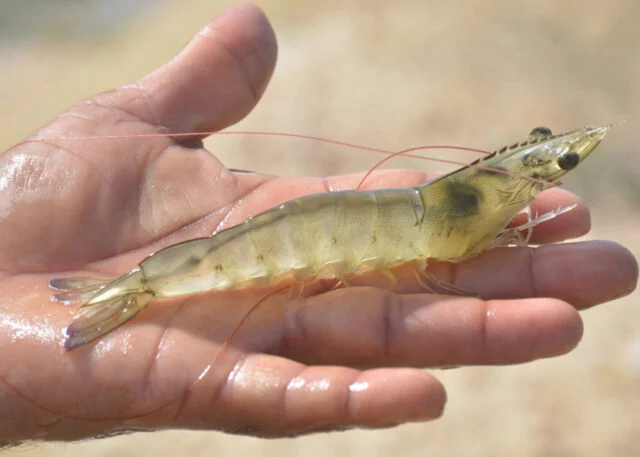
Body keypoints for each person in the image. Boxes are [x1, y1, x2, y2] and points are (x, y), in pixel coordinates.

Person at [0, 2, 636, 446]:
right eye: (552, 157)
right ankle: (133, 289)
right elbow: (451, 243)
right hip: (286, 244)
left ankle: (132, 287)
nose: (552, 171)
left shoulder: (467, 196)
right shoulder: (452, 215)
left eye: (554, 159)